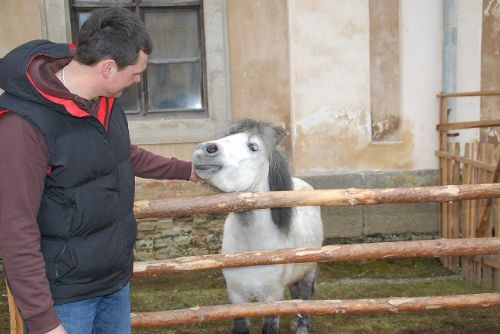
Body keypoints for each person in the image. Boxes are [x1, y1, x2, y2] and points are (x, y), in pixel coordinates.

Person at [0, 7, 201, 334]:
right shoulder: (23, 127)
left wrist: (187, 170)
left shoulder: (105, 101)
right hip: (66, 298)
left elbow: (123, 156)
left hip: (113, 282)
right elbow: (16, 228)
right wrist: (43, 322)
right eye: (136, 72)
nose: (139, 79)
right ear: (108, 68)